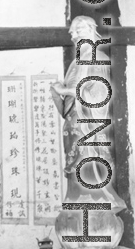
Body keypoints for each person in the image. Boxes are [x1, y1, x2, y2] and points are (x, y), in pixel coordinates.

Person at [50, 15, 125, 213]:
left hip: (88, 120)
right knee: (74, 161)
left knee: (86, 158)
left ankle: (95, 200)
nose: (73, 36)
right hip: (74, 121)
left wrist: (64, 91)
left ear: (91, 29)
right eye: (72, 32)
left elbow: (99, 93)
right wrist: (58, 94)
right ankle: (76, 199)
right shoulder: (77, 61)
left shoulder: (97, 57)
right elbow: (69, 101)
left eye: (78, 30)